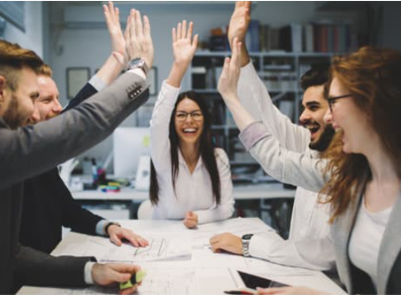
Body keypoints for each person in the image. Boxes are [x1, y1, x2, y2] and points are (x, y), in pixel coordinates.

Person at [0, 8, 154, 295]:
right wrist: (137, 68)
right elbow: (81, 123)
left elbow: (7, 255)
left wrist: (91, 271)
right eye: (32, 98)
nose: (36, 114)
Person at [218, 36, 401, 295]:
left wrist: (230, 97)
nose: (327, 117)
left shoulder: (346, 174)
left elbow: (276, 159)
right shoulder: (352, 177)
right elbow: (265, 115)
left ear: (369, 105)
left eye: (334, 102)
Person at [210, 0, 335, 271]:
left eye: (313, 107)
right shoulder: (311, 144)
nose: (302, 117)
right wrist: (238, 45)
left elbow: (324, 257)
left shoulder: (351, 165)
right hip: (294, 274)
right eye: (303, 107)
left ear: (337, 112)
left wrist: (247, 245)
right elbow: (266, 114)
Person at [20, 0, 148, 256]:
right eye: (47, 100)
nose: (59, 108)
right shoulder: (18, 157)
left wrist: (108, 226)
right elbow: (81, 116)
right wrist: (137, 69)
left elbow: (67, 211)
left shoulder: (39, 160)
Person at [149, 20, 235, 229]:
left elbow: (227, 206)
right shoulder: (163, 154)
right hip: (165, 235)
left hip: (202, 234)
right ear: (173, 120)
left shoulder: (218, 157)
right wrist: (179, 67)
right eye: (181, 115)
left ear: (205, 120)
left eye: (196, 114)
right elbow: (158, 121)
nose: (189, 121)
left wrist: (199, 218)